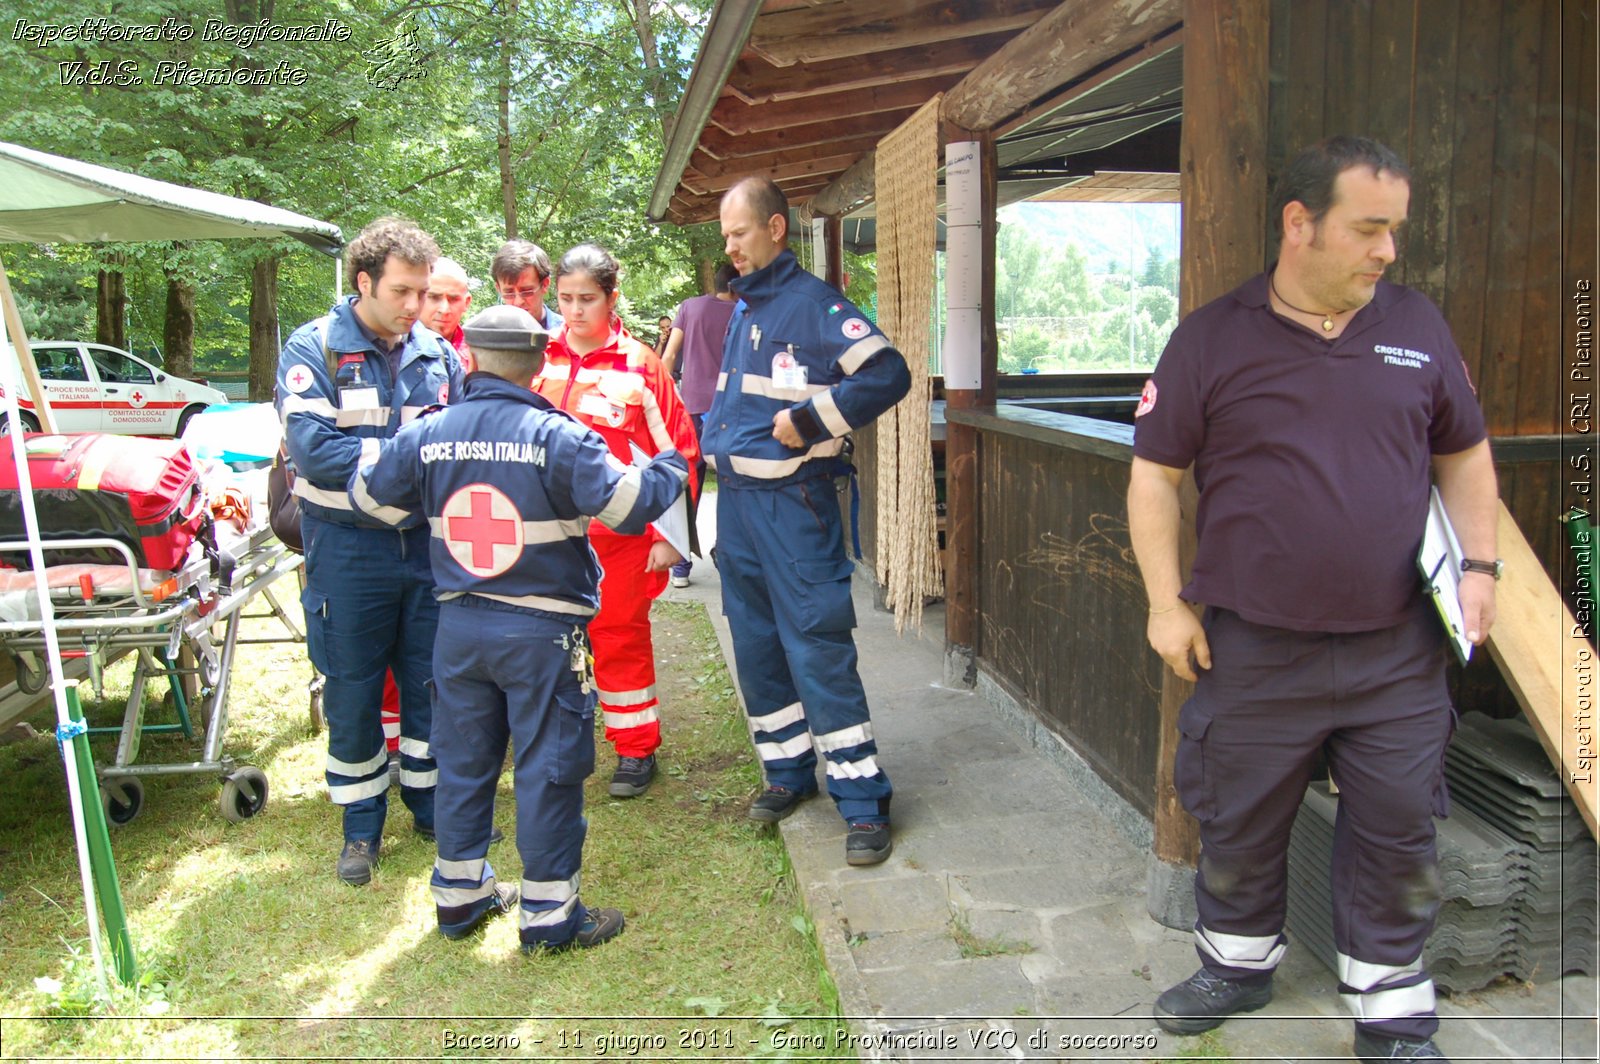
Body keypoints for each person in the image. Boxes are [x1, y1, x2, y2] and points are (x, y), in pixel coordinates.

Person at [1127, 136, 1498, 1064]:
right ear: (1300, 225)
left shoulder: (1419, 325)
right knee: (1241, 816)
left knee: (1400, 826)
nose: (1388, 251)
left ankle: (1393, 1010)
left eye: (1394, 231)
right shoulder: (1213, 337)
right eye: (1369, 229)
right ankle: (1237, 965)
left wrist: (1482, 569)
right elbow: (1153, 477)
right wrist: (1165, 604)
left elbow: (1463, 454)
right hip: (1255, 648)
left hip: (1398, 647)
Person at [350, 304, 688, 949]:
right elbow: (629, 505)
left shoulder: (430, 432)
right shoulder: (558, 436)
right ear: (539, 364)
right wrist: (669, 463)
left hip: (457, 627)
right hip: (542, 635)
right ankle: (550, 917)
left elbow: (369, 499)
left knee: (464, 763)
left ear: (469, 357)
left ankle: (460, 899)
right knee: (547, 767)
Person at [703, 177, 911, 867]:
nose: (729, 245)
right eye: (726, 234)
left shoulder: (816, 307)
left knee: (817, 648)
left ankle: (861, 802)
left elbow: (887, 374)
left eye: (739, 232)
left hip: (796, 510)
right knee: (757, 646)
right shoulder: (745, 306)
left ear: (776, 228)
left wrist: (811, 421)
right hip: (738, 511)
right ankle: (788, 773)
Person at [276, 216, 465, 885]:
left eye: (423, 292)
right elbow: (314, 453)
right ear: (365, 282)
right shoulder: (315, 348)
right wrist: (413, 458)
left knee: (432, 685)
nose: (418, 306)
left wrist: (403, 461)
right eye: (404, 291)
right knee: (354, 691)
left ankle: (431, 806)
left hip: (425, 549)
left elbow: (460, 447)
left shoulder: (438, 355)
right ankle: (361, 828)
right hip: (349, 552)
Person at [530, 244, 701, 799]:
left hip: (619, 537)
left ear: (612, 298)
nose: (575, 310)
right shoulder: (535, 358)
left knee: (620, 638)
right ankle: (558, 747)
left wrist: (670, 537)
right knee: (546, 644)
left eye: (587, 299)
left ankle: (634, 750)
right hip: (544, 537)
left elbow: (678, 454)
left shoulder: (641, 365)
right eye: (566, 299)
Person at [660, 262, 738, 588]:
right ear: (736, 285)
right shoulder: (743, 312)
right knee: (735, 487)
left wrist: (665, 404)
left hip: (691, 408)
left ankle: (680, 565)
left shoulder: (689, 308)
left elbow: (668, 357)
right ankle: (729, 556)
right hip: (733, 410)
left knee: (689, 485)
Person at [491, 239, 561, 333]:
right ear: (498, 289)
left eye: (526, 291)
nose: (518, 302)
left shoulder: (568, 335)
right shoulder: (489, 335)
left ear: (544, 284)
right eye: (509, 293)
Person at [420, 256, 473, 359]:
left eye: (453, 299)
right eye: (434, 297)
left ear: (466, 302)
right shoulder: (394, 347)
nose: (444, 310)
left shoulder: (478, 355)